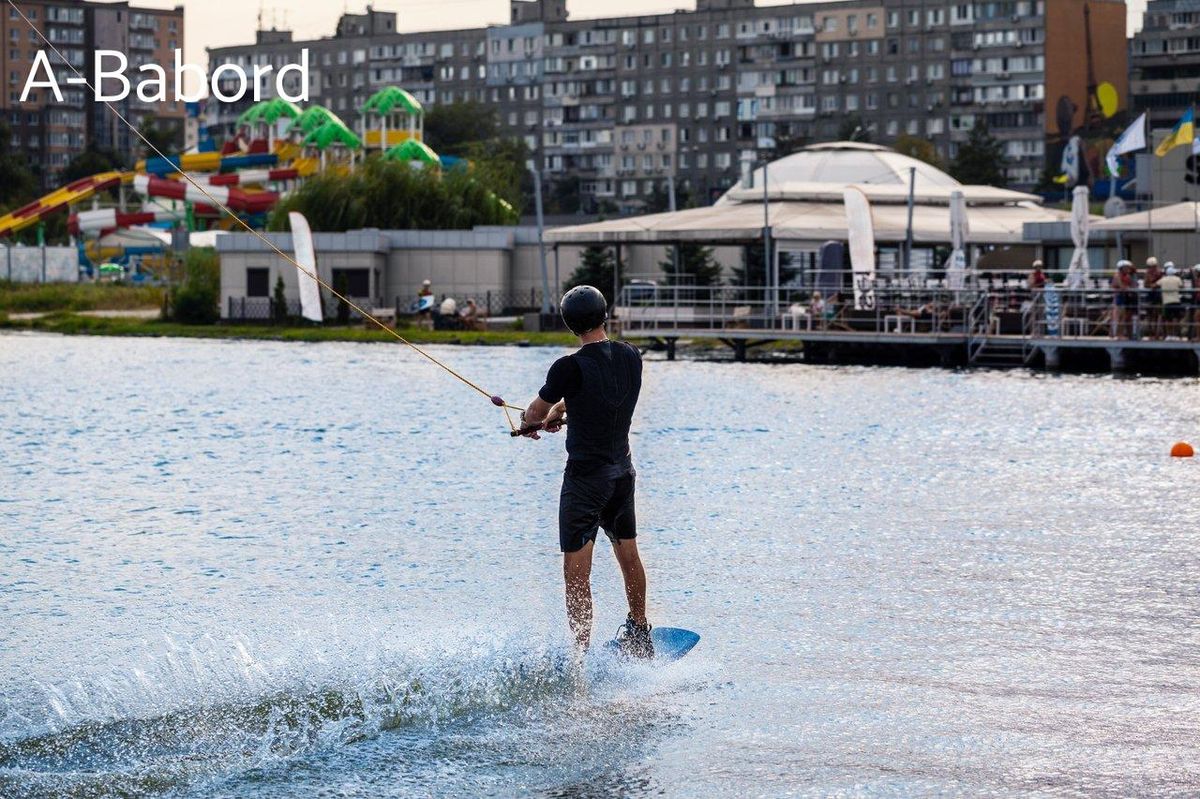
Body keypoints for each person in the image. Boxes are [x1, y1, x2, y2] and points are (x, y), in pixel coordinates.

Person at [520, 285, 652, 659]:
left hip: (585, 481)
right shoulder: (632, 355)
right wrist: (563, 410)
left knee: (577, 572)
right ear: (604, 315)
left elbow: (533, 413)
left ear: (569, 325)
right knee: (629, 555)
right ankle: (640, 632)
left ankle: (580, 655)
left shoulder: (567, 367)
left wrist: (532, 421)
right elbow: (602, 394)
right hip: (622, 475)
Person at [1111, 260, 1135, 339]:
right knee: (1120, 317)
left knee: (1123, 317)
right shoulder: (1117, 276)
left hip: (1124, 298)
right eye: (1126, 268)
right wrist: (1127, 288)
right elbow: (1121, 286)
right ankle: (1118, 334)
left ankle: (1120, 334)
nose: (1128, 269)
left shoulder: (1127, 276)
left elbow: (1132, 285)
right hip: (1118, 298)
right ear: (1121, 268)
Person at [1160, 264, 1184, 339]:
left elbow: (1155, 285)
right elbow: (1182, 286)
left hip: (1167, 302)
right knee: (1176, 318)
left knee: (1168, 319)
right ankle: (1175, 335)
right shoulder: (1177, 279)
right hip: (1176, 300)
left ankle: (1169, 335)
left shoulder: (1163, 279)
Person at [1144, 257, 1164, 339]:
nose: (1152, 268)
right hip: (1150, 296)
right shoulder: (1147, 274)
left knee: (1157, 315)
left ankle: (1156, 333)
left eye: (1154, 266)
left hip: (1158, 296)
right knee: (1150, 315)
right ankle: (1150, 333)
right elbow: (1146, 284)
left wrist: (1155, 284)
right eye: (1150, 267)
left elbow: (1161, 283)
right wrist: (1152, 284)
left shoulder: (1160, 273)